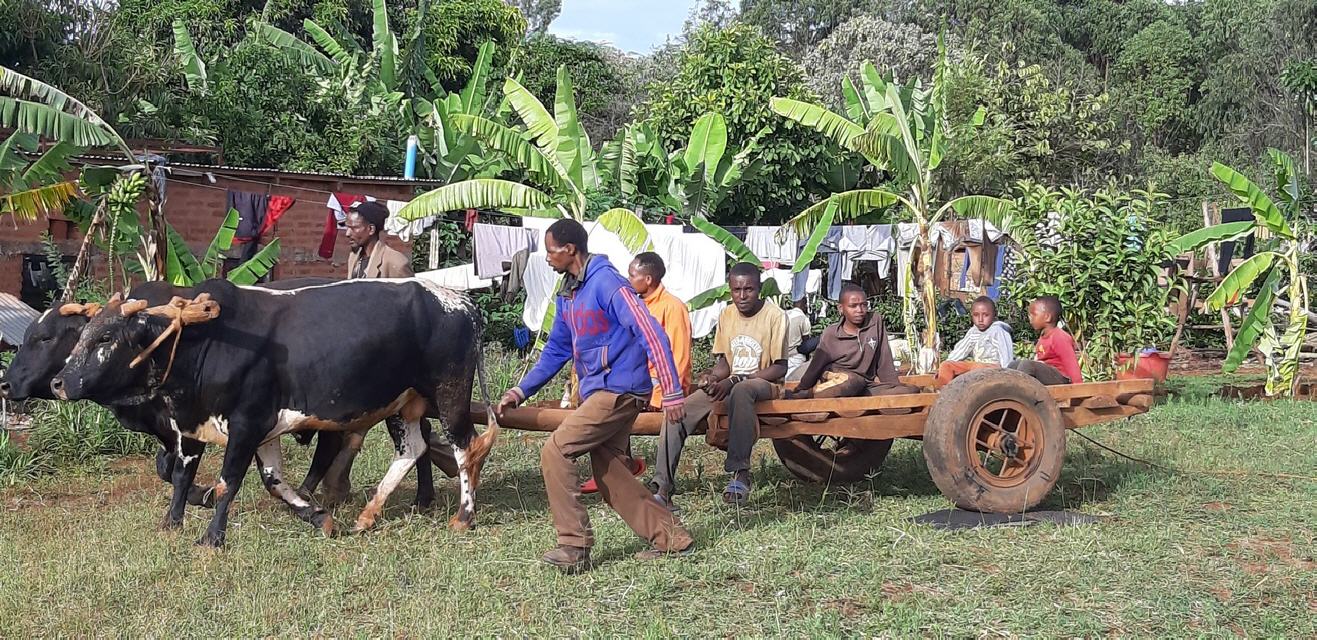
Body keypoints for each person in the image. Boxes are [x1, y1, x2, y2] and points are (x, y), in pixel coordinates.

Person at [495, 219, 693, 573]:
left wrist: (673, 392)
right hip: (601, 390)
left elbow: (651, 332)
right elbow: (556, 350)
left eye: (551, 250)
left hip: (621, 389)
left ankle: (574, 546)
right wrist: (520, 390)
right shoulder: (569, 291)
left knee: (557, 450)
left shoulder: (608, 283)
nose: (546, 258)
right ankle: (673, 539)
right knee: (609, 471)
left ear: (570, 249)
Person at [652, 262, 790, 508]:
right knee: (677, 412)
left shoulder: (775, 316)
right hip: (730, 384)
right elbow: (725, 362)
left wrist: (736, 379)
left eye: (749, 289)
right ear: (730, 290)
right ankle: (662, 486)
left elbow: (780, 367)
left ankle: (741, 473)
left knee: (741, 389)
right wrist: (713, 378)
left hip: (765, 385)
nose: (742, 296)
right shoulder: (726, 315)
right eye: (737, 290)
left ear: (759, 289)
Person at [579, 252, 691, 494]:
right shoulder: (632, 303)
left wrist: (662, 398)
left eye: (632, 274)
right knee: (604, 399)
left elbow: (679, 358)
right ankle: (616, 467)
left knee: (617, 403)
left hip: (660, 387)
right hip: (635, 382)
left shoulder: (672, 307)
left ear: (648, 279)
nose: (627, 279)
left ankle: (624, 470)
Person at [784, 283, 919, 401]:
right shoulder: (831, 334)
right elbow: (815, 366)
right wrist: (801, 388)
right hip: (837, 378)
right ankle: (811, 394)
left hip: (865, 384)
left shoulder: (875, 321)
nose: (860, 310)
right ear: (841, 309)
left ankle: (856, 396)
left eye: (863, 305)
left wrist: (893, 387)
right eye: (853, 306)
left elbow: (884, 359)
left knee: (911, 391)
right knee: (853, 382)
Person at [934, 296, 1015, 387]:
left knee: (977, 368)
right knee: (946, 365)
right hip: (975, 366)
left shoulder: (998, 331)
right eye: (976, 315)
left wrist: (1007, 375)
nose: (980, 319)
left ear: (994, 315)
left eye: (985, 315)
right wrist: (946, 365)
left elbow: (1006, 355)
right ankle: (941, 392)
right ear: (971, 315)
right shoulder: (973, 331)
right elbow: (961, 350)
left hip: (993, 368)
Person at [1008, 296, 1083, 384]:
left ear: (1047, 317)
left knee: (1027, 365)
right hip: (1047, 375)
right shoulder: (1043, 336)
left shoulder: (1059, 337)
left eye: (1034, 314)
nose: (1030, 318)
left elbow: (1071, 364)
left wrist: (1078, 387)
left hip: (1061, 379)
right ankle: (1009, 391)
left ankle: (1021, 394)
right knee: (1014, 364)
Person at [346, 201, 412, 279]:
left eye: (354, 228)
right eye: (347, 227)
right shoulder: (354, 257)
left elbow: (409, 291)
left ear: (371, 229)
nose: (347, 233)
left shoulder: (396, 263)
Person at [785, 298, 812, 380]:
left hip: (781, 357)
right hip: (795, 357)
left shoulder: (784, 314)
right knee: (794, 383)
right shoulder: (803, 318)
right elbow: (806, 342)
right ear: (804, 305)